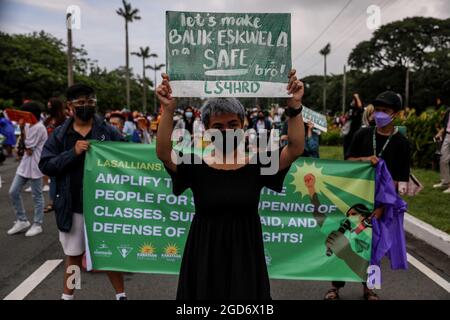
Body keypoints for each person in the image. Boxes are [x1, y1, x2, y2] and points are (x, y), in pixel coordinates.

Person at [156, 70, 305, 300]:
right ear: (206, 129)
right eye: (218, 125)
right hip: (203, 257)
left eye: (232, 124)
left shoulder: (258, 163)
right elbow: (164, 153)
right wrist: (167, 109)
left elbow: (295, 148)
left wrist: (295, 106)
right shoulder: (195, 164)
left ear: (243, 125)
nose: (226, 131)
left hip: (246, 259)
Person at [39, 84, 127, 300]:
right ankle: (69, 296)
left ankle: (121, 295)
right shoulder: (60, 135)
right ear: (70, 106)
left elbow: (128, 156)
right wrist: (73, 153)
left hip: (104, 206)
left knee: (108, 253)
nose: (86, 106)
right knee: (74, 255)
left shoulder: (107, 130)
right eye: (80, 103)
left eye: (90, 102)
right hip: (73, 206)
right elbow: (46, 165)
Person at [324, 90, 410, 300]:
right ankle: (335, 287)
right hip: (353, 199)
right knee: (345, 241)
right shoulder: (362, 134)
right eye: (377, 110)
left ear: (396, 114)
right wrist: (364, 160)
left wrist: (382, 207)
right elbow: (347, 163)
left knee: (374, 247)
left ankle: (369, 288)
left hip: (381, 204)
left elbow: (398, 179)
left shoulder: (402, 143)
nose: (380, 114)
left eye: (385, 110)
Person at [7, 101, 47, 237]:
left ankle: (37, 224)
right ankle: (22, 220)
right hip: (24, 165)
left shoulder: (40, 127)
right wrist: (23, 128)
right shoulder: (28, 126)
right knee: (13, 191)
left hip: (36, 164)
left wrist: (22, 129)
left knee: (37, 196)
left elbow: (29, 149)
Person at [43, 97, 67, 213]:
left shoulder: (64, 119)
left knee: (61, 178)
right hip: (49, 150)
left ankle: (60, 200)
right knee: (52, 178)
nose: (48, 108)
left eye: (50, 106)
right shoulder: (47, 120)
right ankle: (53, 201)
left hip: (61, 151)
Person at [433, 104, 450, 193]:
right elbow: (445, 126)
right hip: (447, 136)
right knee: (443, 159)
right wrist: (439, 133)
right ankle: (445, 182)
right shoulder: (448, 111)